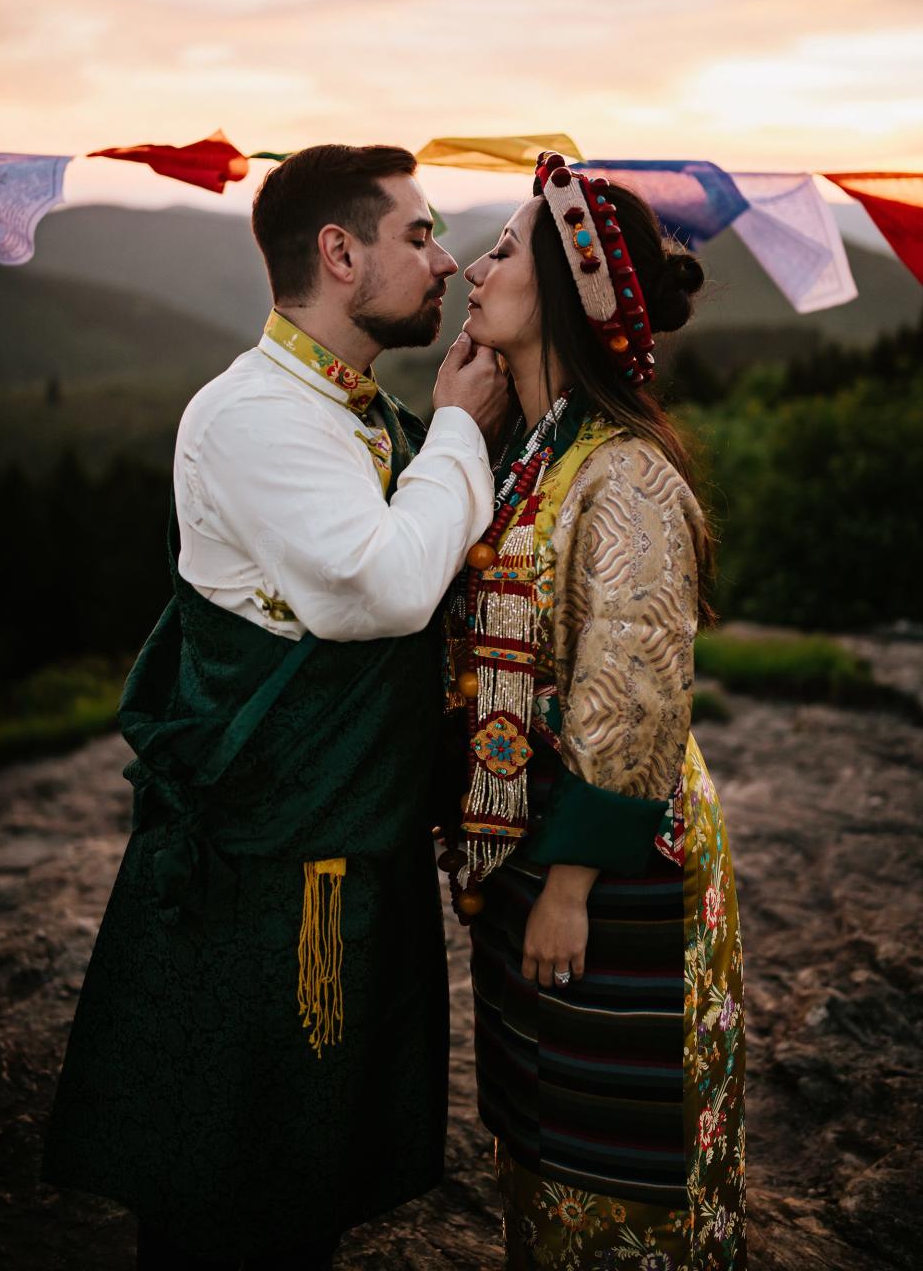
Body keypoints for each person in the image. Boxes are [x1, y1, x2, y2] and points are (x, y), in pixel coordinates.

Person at [41, 143, 508, 1270]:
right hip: (267, 891)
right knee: (233, 1196)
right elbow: (385, 586)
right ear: (339, 254)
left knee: (302, 1185)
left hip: (342, 854)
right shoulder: (251, 415)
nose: (444, 260)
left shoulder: (346, 411)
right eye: (417, 234)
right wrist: (459, 427)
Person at [440, 155, 745, 1269]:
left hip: (610, 871)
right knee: (537, 1148)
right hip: (528, 860)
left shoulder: (625, 476)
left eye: (506, 250)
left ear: (565, 290)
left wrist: (568, 882)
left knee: (617, 1174)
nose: (478, 267)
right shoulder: (526, 458)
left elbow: (636, 681)